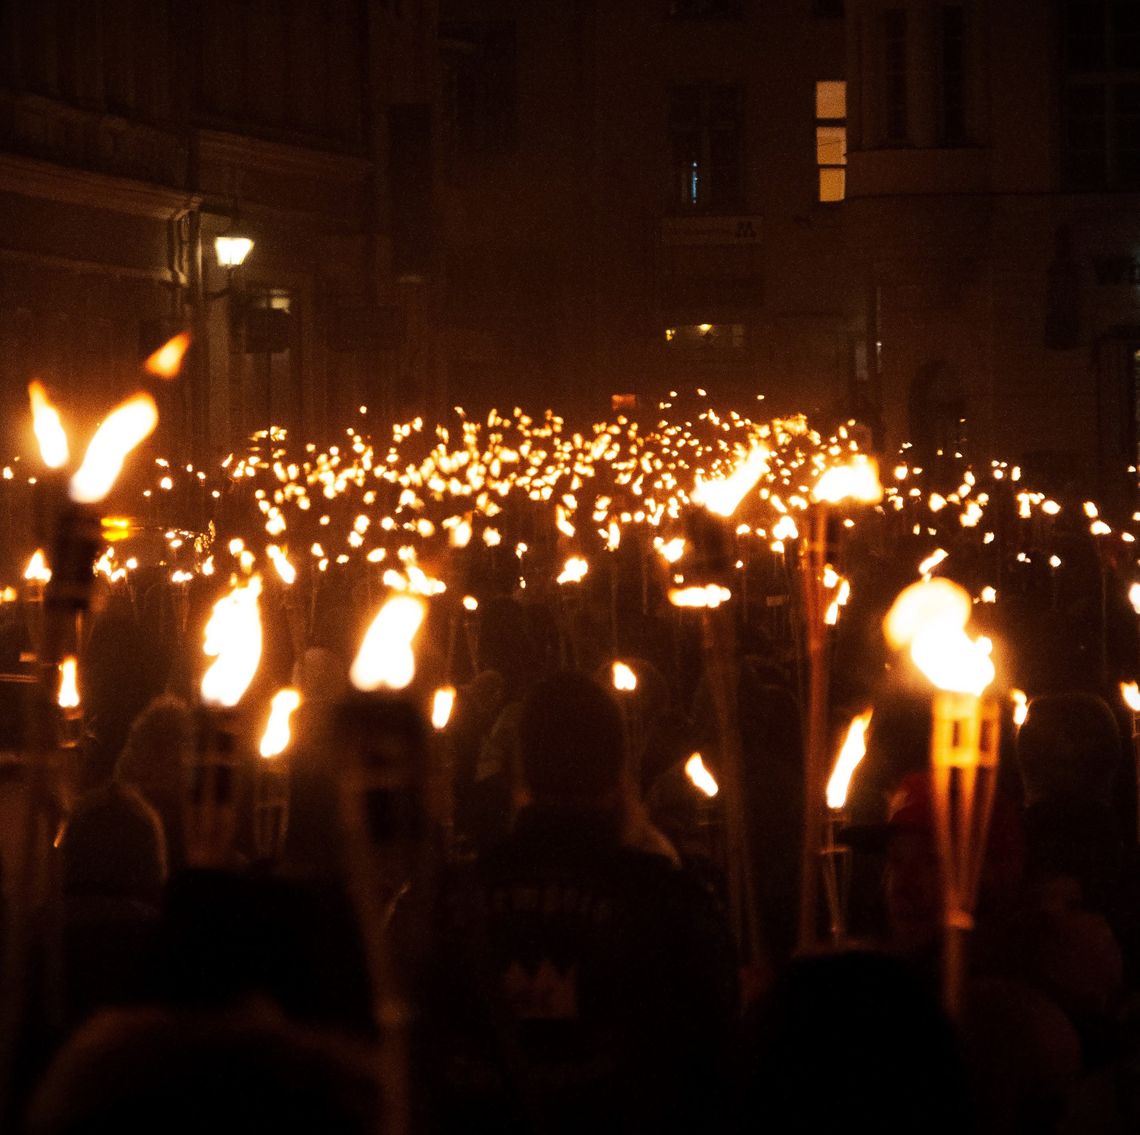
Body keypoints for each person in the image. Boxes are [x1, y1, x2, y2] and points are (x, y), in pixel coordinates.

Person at [423, 671, 738, 1133]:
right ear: (617, 774)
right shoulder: (667, 900)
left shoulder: (447, 899)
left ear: (520, 772)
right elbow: (710, 1059)